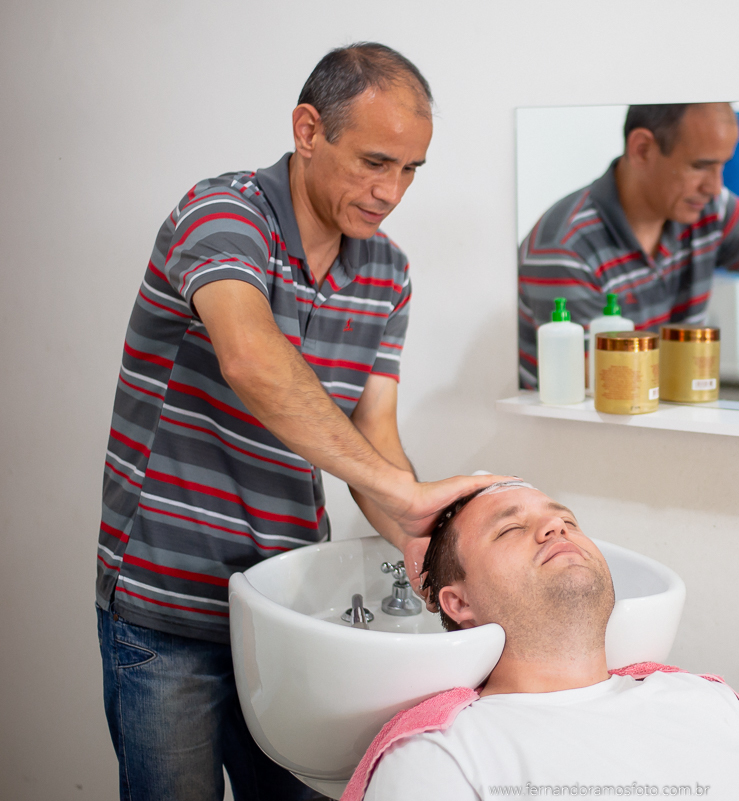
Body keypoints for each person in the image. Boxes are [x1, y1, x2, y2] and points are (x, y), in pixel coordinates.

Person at [94, 43, 506, 801]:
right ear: (309, 129)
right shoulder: (222, 215)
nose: (391, 191)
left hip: (285, 605)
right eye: (375, 161)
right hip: (167, 604)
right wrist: (399, 488)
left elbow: (374, 438)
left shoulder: (387, 271)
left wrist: (436, 542)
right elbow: (251, 357)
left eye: (411, 170)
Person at [355, 481, 739, 801]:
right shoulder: (442, 754)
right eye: (510, 529)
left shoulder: (707, 700)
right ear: (458, 603)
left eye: (566, 520)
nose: (554, 527)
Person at [518, 103, 739, 412]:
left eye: (723, 165)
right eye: (700, 166)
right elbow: (607, 391)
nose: (714, 186)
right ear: (643, 149)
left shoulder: (712, 210)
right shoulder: (565, 247)